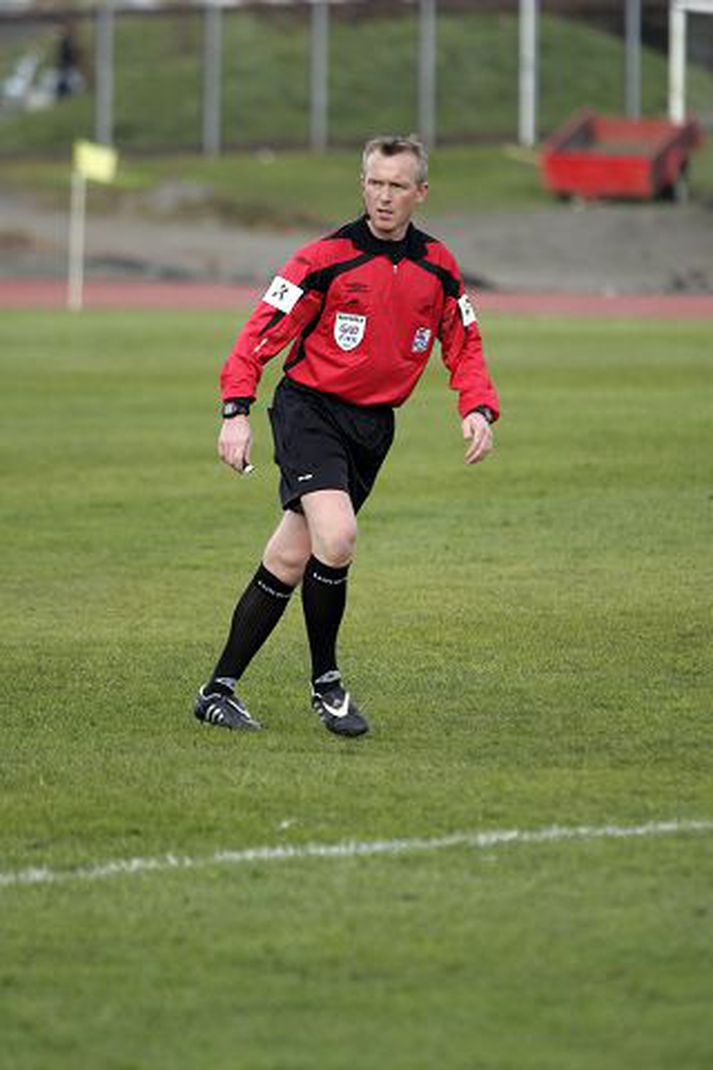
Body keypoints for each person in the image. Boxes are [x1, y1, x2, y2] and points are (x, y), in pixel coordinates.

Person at [194, 135, 499, 739]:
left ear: (420, 193)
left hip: (371, 427)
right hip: (310, 411)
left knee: (289, 556)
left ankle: (217, 691)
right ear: (362, 186)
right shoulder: (323, 258)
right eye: (375, 183)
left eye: (397, 186)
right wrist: (236, 410)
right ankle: (327, 685)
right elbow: (262, 331)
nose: (384, 197)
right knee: (338, 536)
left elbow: (463, 341)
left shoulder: (437, 265)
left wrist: (478, 407)